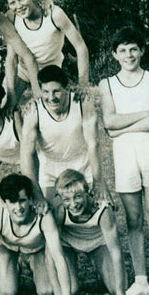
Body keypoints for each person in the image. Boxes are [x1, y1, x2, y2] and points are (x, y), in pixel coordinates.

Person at [99, 27, 149, 295]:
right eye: (122, 50)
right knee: (133, 219)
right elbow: (109, 121)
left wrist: (121, 126)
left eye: (133, 49)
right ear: (114, 54)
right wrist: (145, 113)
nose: (129, 55)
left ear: (142, 51)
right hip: (124, 155)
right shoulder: (106, 84)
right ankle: (140, 279)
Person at [20, 65, 110, 206]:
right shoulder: (33, 110)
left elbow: (94, 144)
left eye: (56, 91)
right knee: (49, 215)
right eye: (46, 92)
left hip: (83, 165)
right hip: (50, 168)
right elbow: (26, 153)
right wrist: (36, 193)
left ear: (67, 88)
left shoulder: (83, 102)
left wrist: (98, 183)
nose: (51, 98)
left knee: (103, 208)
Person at [2, 0, 90, 104]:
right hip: (23, 70)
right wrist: (10, 92)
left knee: (50, 109)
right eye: (12, 3)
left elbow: (80, 46)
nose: (18, 6)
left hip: (50, 71)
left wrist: (83, 83)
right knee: (5, 105)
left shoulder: (55, 14)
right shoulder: (11, 17)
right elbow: (11, 58)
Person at [53, 170, 127, 295]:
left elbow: (115, 250)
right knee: (71, 290)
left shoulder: (102, 209)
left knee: (117, 287)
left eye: (78, 196)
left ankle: (100, 267)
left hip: (97, 243)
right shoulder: (60, 211)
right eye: (67, 199)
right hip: (69, 244)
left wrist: (121, 294)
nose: (73, 204)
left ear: (87, 192)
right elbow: (51, 250)